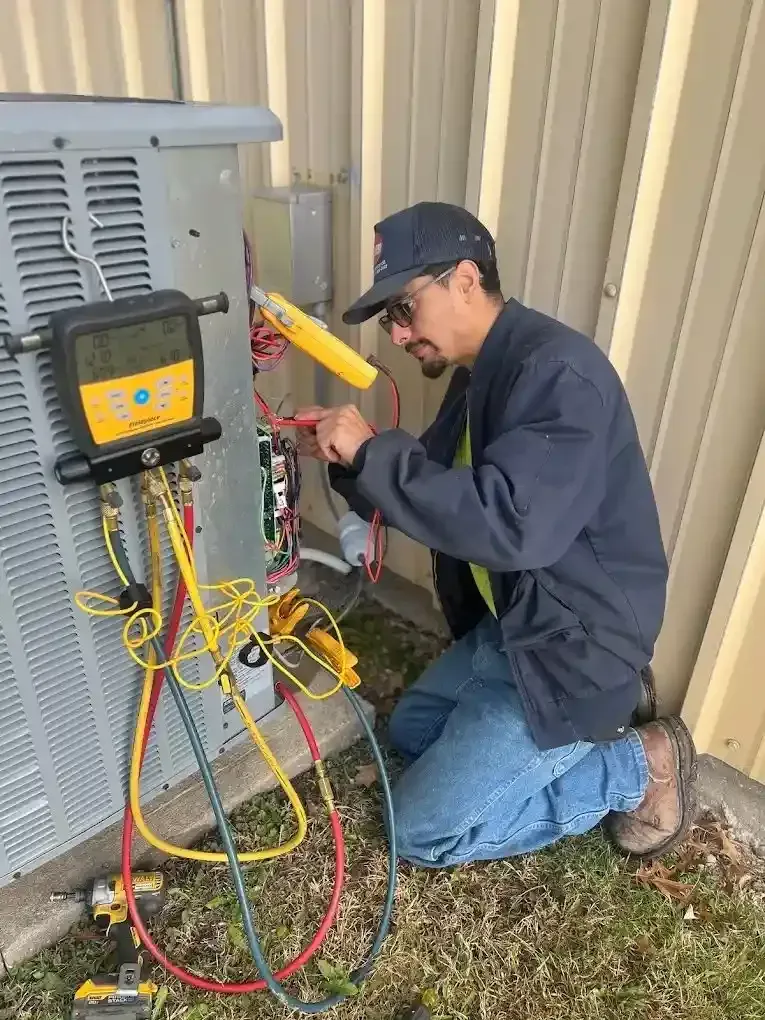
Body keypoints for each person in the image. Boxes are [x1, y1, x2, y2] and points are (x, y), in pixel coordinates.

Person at [295, 201, 697, 868]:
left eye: (401, 309)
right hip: (517, 629)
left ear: (461, 279)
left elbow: (514, 526)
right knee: (413, 732)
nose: (395, 334)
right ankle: (578, 725)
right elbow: (429, 494)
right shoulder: (480, 376)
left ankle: (637, 766)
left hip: (572, 646)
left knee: (420, 833)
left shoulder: (556, 375)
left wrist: (373, 454)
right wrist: (349, 465)